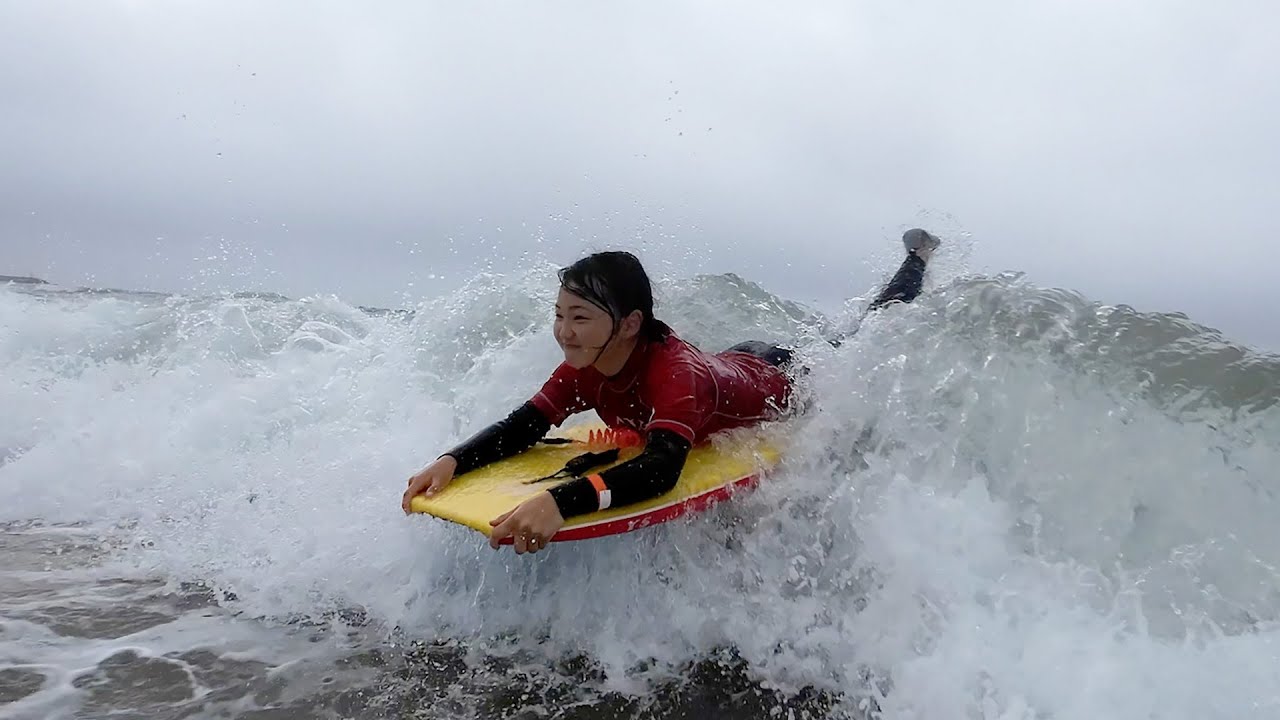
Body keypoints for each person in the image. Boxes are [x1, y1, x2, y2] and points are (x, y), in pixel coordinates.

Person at [402, 229, 941, 554]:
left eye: (582, 318)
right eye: (560, 315)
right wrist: (455, 460)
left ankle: (916, 260)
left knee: (870, 327)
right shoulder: (582, 366)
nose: (564, 331)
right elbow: (525, 426)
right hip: (734, 358)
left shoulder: (672, 373)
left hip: (781, 376)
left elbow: (663, 469)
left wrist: (558, 501)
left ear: (630, 323)